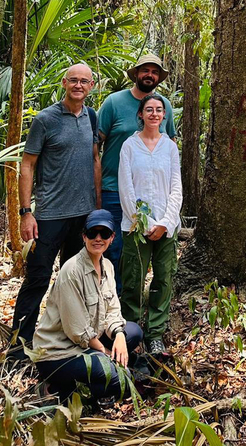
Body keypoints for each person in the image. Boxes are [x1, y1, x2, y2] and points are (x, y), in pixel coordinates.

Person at [9, 63, 101, 358]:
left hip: (83, 216)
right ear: (64, 83)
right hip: (48, 216)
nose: (78, 85)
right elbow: (27, 164)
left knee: (75, 280)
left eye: (83, 81)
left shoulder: (92, 116)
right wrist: (26, 211)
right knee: (37, 279)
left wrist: (97, 207)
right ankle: (18, 348)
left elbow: (95, 159)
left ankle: (66, 339)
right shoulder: (45, 119)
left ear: (91, 86)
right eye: (73, 80)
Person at [33, 209, 146, 405]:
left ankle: (88, 377)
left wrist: (118, 334)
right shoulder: (71, 271)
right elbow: (77, 331)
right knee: (122, 379)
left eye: (104, 234)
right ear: (84, 236)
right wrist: (106, 353)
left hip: (88, 342)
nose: (98, 238)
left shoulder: (108, 267)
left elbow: (112, 310)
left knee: (133, 332)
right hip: (59, 351)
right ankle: (57, 389)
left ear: (112, 237)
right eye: (93, 233)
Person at [98, 53, 176, 290]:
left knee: (143, 254)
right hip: (113, 189)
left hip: (152, 195)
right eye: (145, 70)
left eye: (154, 72)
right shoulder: (114, 102)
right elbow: (95, 145)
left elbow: (169, 147)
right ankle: (113, 304)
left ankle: (133, 304)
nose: (149, 75)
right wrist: (95, 187)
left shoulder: (164, 106)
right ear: (136, 74)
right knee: (115, 249)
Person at [118, 93, 182, 358]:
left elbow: (176, 186)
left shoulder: (170, 147)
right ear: (141, 114)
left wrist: (166, 223)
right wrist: (143, 223)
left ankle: (155, 334)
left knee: (163, 279)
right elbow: (126, 188)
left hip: (167, 227)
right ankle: (131, 333)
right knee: (133, 279)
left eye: (159, 110)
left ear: (164, 116)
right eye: (149, 110)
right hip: (135, 227)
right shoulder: (129, 146)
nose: (154, 114)